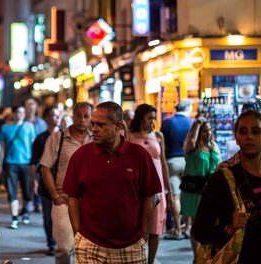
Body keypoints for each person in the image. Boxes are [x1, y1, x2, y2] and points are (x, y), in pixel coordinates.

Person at [192, 110, 261, 263]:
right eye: (243, 132)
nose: (249, 137)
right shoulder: (223, 179)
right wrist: (229, 228)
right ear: (236, 138)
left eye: (256, 131)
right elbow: (199, 230)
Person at [63, 101, 161, 263]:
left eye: (100, 125)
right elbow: (73, 197)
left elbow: (149, 197)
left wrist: (143, 235)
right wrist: (78, 233)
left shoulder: (139, 155)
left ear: (117, 126)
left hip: (131, 246)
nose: (94, 129)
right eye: (93, 124)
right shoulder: (81, 156)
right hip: (90, 245)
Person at [41, 102, 93, 263]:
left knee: (87, 248)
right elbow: (45, 167)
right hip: (64, 201)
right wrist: (55, 196)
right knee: (64, 248)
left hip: (90, 202)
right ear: (72, 116)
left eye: (86, 116)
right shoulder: (59, 137)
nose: (82, 120)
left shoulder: (96, 138)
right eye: (78, 115)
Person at [128, 104, 173, 264]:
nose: (151, 121)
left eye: (154, 118)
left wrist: (170, 192)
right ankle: (137, 259)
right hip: (137, 188)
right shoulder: (130, 136)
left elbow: (164, 164)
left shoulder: (158, 136)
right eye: (149, 118)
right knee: (138, 229)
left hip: (157, 186)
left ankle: (151, 261)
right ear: (140, 118)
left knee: (156, 230)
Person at [181, 117, 220, 257]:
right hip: (193, 189)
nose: (208, 133)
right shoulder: (192, 147)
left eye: (209, 130)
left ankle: (206, 254)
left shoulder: (213, 146)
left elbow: (218, 164)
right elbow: (190, 142)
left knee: (210, 222)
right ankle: (196, 255)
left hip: (209, 188)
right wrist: (197, 125)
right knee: (195, 224)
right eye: (204, 131)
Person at [160, 99, 194, 240]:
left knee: (176, 196)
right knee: (188, 194)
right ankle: (188, 227)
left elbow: (163, 143)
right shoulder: (192, 122)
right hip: (188, 160)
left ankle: (178, 229)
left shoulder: (168, 122)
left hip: (172, 161)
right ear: (187, 108)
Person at [0, 105, 36, 229]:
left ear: (24, 114)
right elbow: (2, 148)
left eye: (22, 112)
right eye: (17, 112)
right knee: (11, 191)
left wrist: (34, 164)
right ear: (12, 114)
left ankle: (25, 211)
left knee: (27, 190)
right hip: (10, 163)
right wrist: (0, 164)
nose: (19, 115)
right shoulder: (4, 129)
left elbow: (32, 146)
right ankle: (14, 217)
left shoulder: (29, 127)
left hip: (26, 163)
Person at [30, 106, 60, 256]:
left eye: (57, 115)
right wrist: (34, 181)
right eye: (53, 115)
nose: (55, 118)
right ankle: (51, 243)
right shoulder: (41, 138)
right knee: (48, 215)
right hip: (45, 181)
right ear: (47, 118)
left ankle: (63, 243)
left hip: (62, 182)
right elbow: (34, 161)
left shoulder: (64, 137)